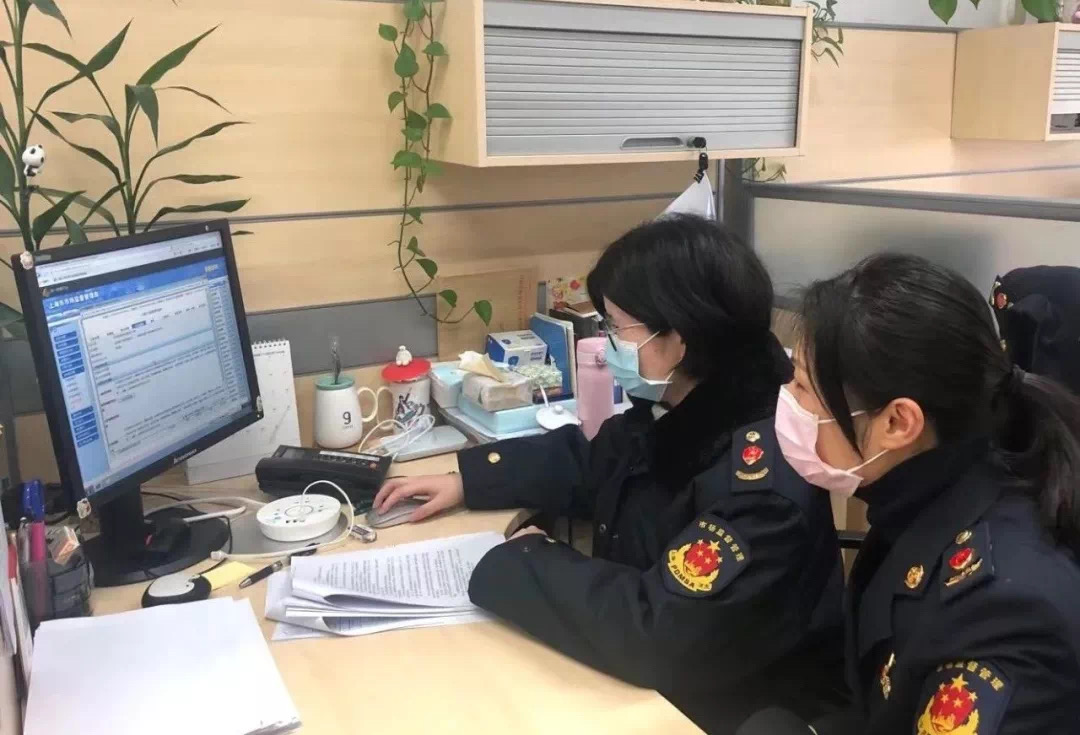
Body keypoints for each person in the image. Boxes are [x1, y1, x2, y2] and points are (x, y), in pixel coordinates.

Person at [374, 215, 847, 734]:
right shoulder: (685, 403)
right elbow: (593, 461)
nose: (608, 342)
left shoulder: (760, 483)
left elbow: (658, 629)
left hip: (725, 709)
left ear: (679, 340)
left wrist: (531, 560)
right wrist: (470, 479)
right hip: (659, 685)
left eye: (617, 328)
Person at [761, 253, 1080, 735]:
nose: (788, 400)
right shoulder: (927, 497)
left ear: (897, 422)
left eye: (804, 387)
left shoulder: (1002, 612)